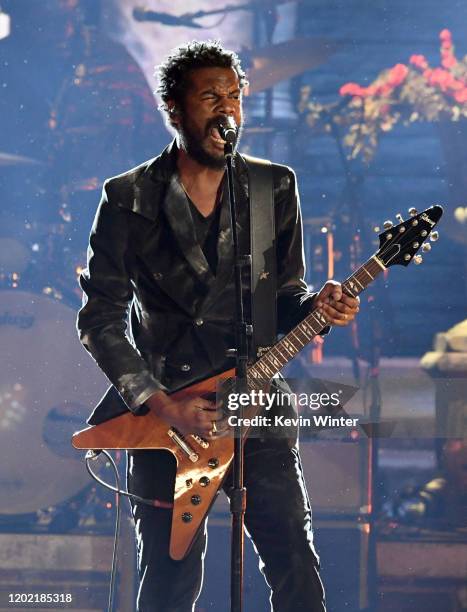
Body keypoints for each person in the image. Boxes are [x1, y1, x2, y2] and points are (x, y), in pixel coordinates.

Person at [77, 40, 360, 612]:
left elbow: (284, 295)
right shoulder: (128, 197)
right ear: (174, 108)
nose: (227, 109)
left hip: (257, 403)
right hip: (168, 414)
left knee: (295, 566)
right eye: (211, 97)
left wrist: (319, 310)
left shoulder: (272, 186)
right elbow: (100, 319)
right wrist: (161, 404)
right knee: (170, 580)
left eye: (235, 95)